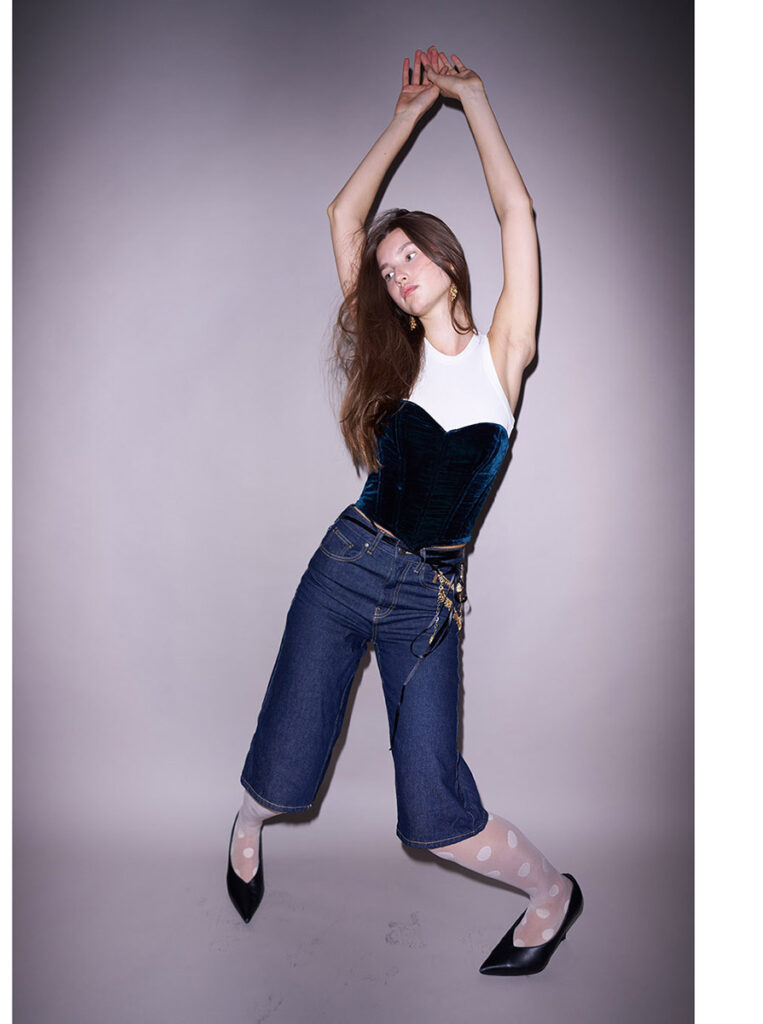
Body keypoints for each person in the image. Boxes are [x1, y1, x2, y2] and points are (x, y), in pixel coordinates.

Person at [226, 46, 583, 977]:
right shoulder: (395, 355)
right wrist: (403, 119)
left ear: (446, 260)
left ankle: (553, 893)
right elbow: (343, 215)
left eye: (410, 255)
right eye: (385, 269)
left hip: (428, 603)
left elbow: (517, 212)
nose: (395, 273)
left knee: (433, 812)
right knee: (286, 763)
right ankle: (248, 822)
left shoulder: (503, 353)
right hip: (346, 568)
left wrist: (468, 99)